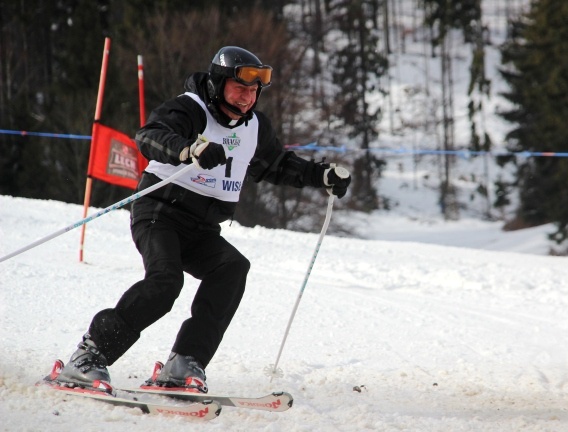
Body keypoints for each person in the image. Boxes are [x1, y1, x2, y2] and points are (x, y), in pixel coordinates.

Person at [55, 46, 350, 392]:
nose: (247, 98)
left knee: (231, 268)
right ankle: (87, 357)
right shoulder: (190, 109)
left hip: (202, 227)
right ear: (218, 83)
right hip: (160, 214)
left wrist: (320, 175)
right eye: (240, 88)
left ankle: (184, 363)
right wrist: (188, 148)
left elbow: (275, 164)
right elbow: (149, 136)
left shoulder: (254, 126)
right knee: (165, 283)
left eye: (254, 91)